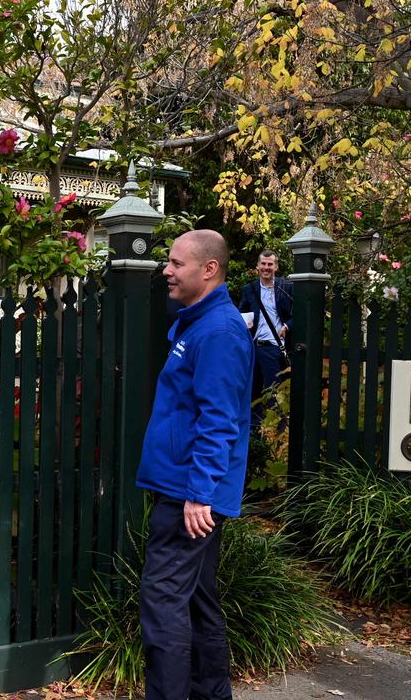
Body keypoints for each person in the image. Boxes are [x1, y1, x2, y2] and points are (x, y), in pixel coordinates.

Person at [137, 229, 253, 700]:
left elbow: (220, 420)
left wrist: (199, 493)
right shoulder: (199, 323)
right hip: (187, 488)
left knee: (163, 599)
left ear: (209, 270)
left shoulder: (219, 332)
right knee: (198, 600)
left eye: (176, 263)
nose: (166, 269)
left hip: (191, 494)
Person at [238, 249, 293, 404]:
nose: (266, 267)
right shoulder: (249, 289)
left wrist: (287, 326)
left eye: (270, 264)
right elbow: (241, 314)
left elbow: (300, 313)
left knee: (273, 393)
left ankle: (274, 427)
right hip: (253, 348)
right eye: (263, 263)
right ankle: (255, 428)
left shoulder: (286, 287)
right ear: (257, 266)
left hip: (273, 347)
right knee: (251, 394)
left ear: (276, 267)